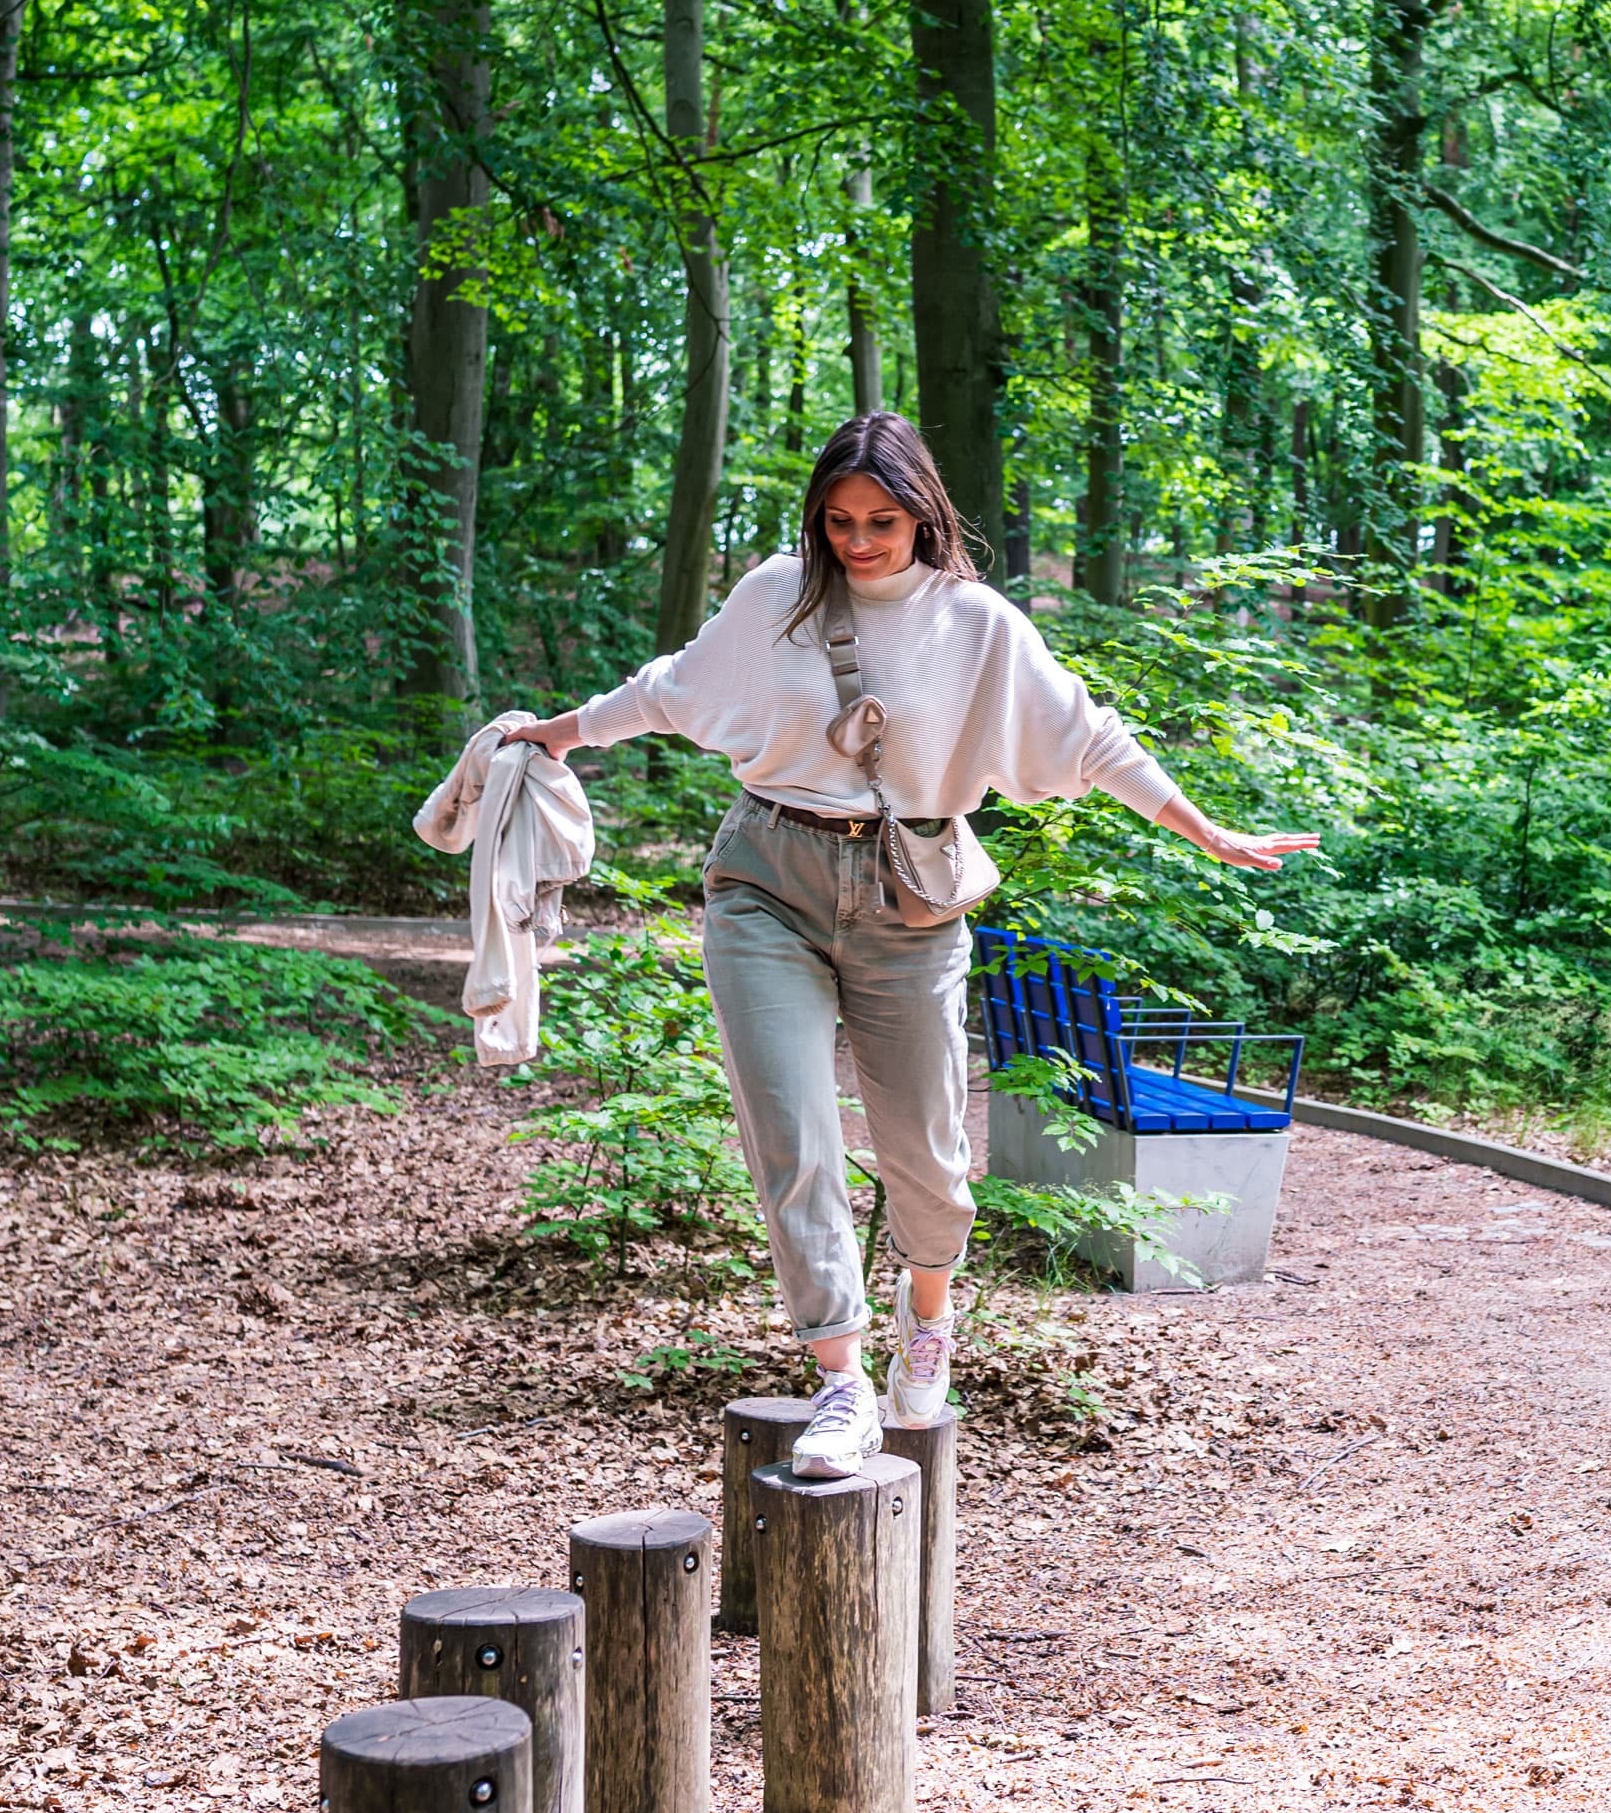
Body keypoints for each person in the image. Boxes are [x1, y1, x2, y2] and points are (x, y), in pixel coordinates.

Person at [510, 413, 1316, 1474]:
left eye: (881, 520)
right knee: (792, 1138)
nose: (858, 541)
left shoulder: (975, 624)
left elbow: (1087, 734)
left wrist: (1203, 827)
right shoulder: (776, 595)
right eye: (837, 521)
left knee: (927, 1159)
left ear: (924, 512)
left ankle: (925, 1318)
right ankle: (840, 1380)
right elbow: (673, 688)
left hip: (911, 899)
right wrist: (553, 734)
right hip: (766, 876)